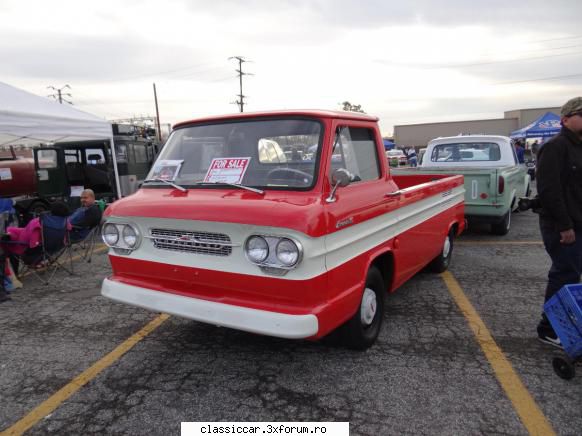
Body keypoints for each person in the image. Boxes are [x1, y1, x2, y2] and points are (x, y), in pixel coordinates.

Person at [535, 96, 582, 347]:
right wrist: (565, 226)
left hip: (577, 221)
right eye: (581, 114)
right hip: (562, 225)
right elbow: (549, 190)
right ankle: (549, 328)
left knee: (573, 274)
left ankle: (564, 321)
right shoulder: (556, 146)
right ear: (565, 119)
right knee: (565, 273)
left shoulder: (578, 146)